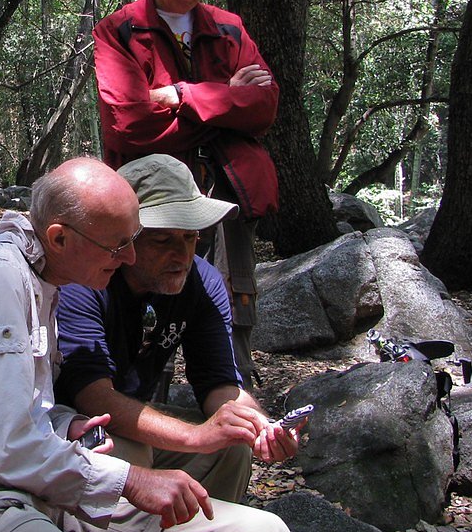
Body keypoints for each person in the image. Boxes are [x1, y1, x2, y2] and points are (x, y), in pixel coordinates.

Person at [0, 157, 305, 532]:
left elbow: (25, 408)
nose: (126, 258)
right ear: (59, 238)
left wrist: (66, 424)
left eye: (134, 240)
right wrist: (132, 480)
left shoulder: (47, 279)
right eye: (119, 244)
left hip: (46, 480)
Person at [92, 0, 279, 389]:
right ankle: (139, 389)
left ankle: (229, 385)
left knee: (230, 290)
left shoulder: (229, 27)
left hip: (225, 187)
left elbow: (265, 106)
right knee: (149, 281)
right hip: (152, 196)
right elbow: (128, 126)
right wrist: (225, 105)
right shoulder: (119, 33)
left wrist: (180, 95)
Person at [55, 154, 300, 504]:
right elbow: (92, 395)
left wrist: (261, 426)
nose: (181, 254)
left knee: (231, 449)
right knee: (132, 454)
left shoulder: (202, 283)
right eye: (163, 240)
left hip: (130, 416)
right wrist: (196, 436)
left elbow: (218, 385)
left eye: (190, 238)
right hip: (69, 425)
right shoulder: (87, 279)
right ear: (127, 237)